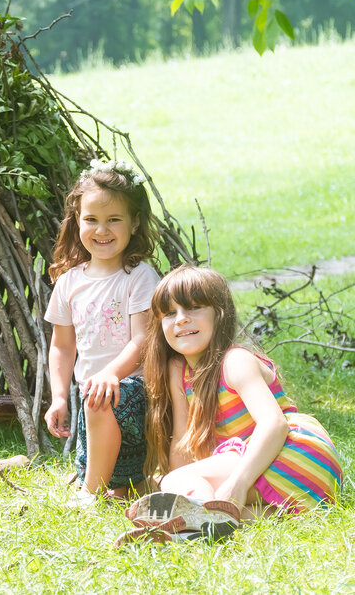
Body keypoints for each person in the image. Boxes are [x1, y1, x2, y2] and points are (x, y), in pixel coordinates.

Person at [122, 265, 344, 544]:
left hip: (294, 452)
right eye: (169, 313)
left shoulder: (235, 361)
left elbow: (274, 424)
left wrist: (236, 486)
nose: (181, 320)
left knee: (177, 484)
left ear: (220, 314)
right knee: (179, 483)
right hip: (291, 482)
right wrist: (172, 477)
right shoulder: (179, 371)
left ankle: (195, 517)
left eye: (194, 308)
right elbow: (182, 441)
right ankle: (190, 532)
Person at [44, 158, 161, 505]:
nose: (102, 230)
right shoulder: (69, 283)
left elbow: (143, 339)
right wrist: (60, 396)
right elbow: (62, 346)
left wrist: (110, 373)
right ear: (77, 221)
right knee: (117, 480)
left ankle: (89, 493)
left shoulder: (139, 277)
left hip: (136, 389)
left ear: (134, 222)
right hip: (93, 395)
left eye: (114, 220)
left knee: (101, 400)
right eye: (91, 220)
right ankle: (110, 484)